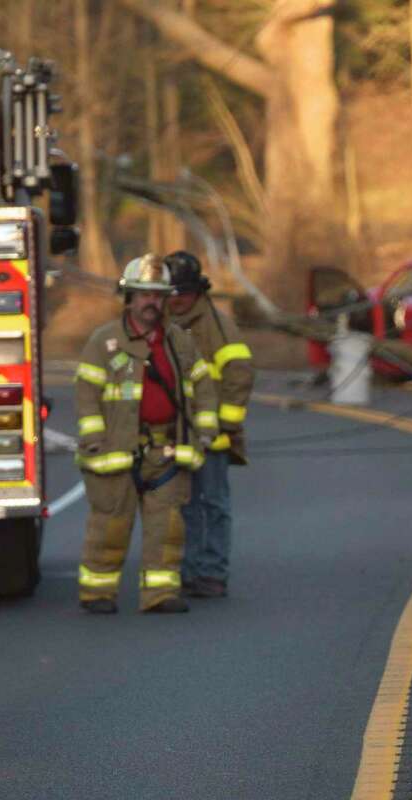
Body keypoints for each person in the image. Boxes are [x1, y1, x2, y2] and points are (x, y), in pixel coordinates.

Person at [75, 254, 219, 614]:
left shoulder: (178, 342)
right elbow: (87, 393)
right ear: (129, 298)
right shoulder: (104, 341)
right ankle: (98, 593)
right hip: (115, 451)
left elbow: (203, 385)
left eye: (157, 295)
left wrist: (205, 430)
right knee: (109, 527)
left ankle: (160, 594)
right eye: (143, 294)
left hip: (166, 451)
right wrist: (95, 439)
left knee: (167, 529)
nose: (151, 302)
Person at [165, 251, 255, 599]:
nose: (176, 299)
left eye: (183, 293)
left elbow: (240, 373)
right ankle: (189, 572)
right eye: (171, 293)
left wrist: (225, 424)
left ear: (198, 292)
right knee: (183, 508)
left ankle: (213, 573)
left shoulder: (217, 327)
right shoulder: (165, 324)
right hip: (176, 435)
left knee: (213, 505)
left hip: (212, 438)